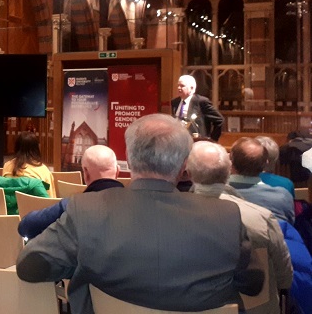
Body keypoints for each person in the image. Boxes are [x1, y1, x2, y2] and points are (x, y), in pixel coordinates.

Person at [17, 113, 261, 314]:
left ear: (129, 161)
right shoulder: (226, 216)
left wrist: (84, 261)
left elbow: (29, 266)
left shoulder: (85, 210)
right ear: (184, 167)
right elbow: (253, 284)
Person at [187, 141, 293, 314]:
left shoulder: (172, 217)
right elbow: (285, 278)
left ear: (189, 173)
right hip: (256, 308)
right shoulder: (261, 217)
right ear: (228, 169)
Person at [18, 145, 123, 240]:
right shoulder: (137, 204)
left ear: (85, 174)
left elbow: (26, 226)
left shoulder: (72, 205)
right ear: (118, 172)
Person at [229, 137, 295, 224]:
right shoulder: (282, 196)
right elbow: (290, 224)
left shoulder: (215, 193)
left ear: (230, 160)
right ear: (265, 163)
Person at [2, 131, 55, 197]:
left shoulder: (7, 166)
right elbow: (51, 200)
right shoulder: (43, 170)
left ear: (16, 147)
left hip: (10, 206)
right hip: (35, 206)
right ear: (36, 148)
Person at [171, 75, 224, 140]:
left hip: (196, 142)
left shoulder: (201, 102)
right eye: (178, 85)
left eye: (182, 86)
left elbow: (219, 120)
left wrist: (212, 140)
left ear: (192, 88)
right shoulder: (175, 102)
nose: (179, 88)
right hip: (179, 140)